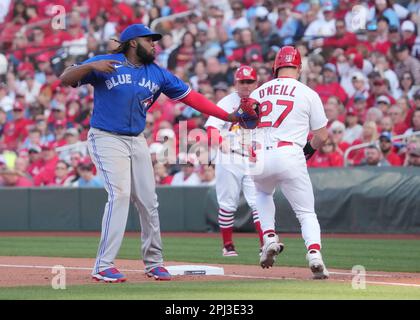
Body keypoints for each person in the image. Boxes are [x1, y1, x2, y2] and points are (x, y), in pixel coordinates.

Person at [59, 24, 244, 283]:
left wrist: (227, 116)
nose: (155, 45)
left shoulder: (157, 73)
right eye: (150, 41)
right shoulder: (107, 62)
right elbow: (65, 77)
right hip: (105, 137)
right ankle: (103, 264)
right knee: (120, 195)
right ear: (134, 43)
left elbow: (193, 99)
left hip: (136, 140)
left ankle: (154, 262)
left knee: (149, 201)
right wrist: (90, 67)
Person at [248, 46, 329, 279]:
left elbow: (245, 123)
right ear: (299, 68)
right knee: (305, 212)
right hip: (289, 152)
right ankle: (314, 255)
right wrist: (306, 151)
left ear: (276, 67)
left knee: (262, 195)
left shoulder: (259, 91)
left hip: (259, 155)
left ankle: (270, 238)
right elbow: (322, 136)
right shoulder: (308, 93)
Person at [205, 66, 264, 257]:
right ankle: (228, 245)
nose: (246, 85)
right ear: (235, 83)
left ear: (256, 82)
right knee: (228, 203)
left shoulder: (263, 100)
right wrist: (220, 143)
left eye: (250, 81)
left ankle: (266, 244)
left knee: (259, 202)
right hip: (229, 157)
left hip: (253, 158)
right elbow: (212, 128)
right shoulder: (226, 102)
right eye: (242, 82)